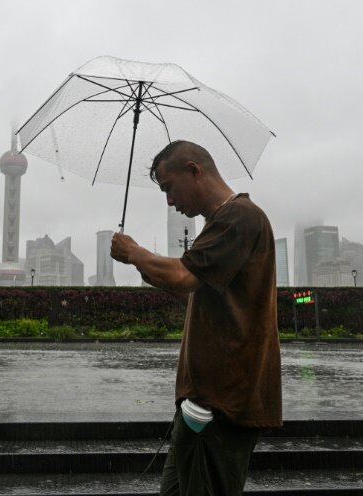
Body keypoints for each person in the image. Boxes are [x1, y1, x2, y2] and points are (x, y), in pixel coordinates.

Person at [111, 140, 282, 495]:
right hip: (205, 402)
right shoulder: (220, 221)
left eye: (168, 187)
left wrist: (134, 253)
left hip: (222, 405)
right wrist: (151, 270)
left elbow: (184, 276)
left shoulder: (238, 217)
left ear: (194, 170)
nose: (170, 200)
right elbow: (193, 292)